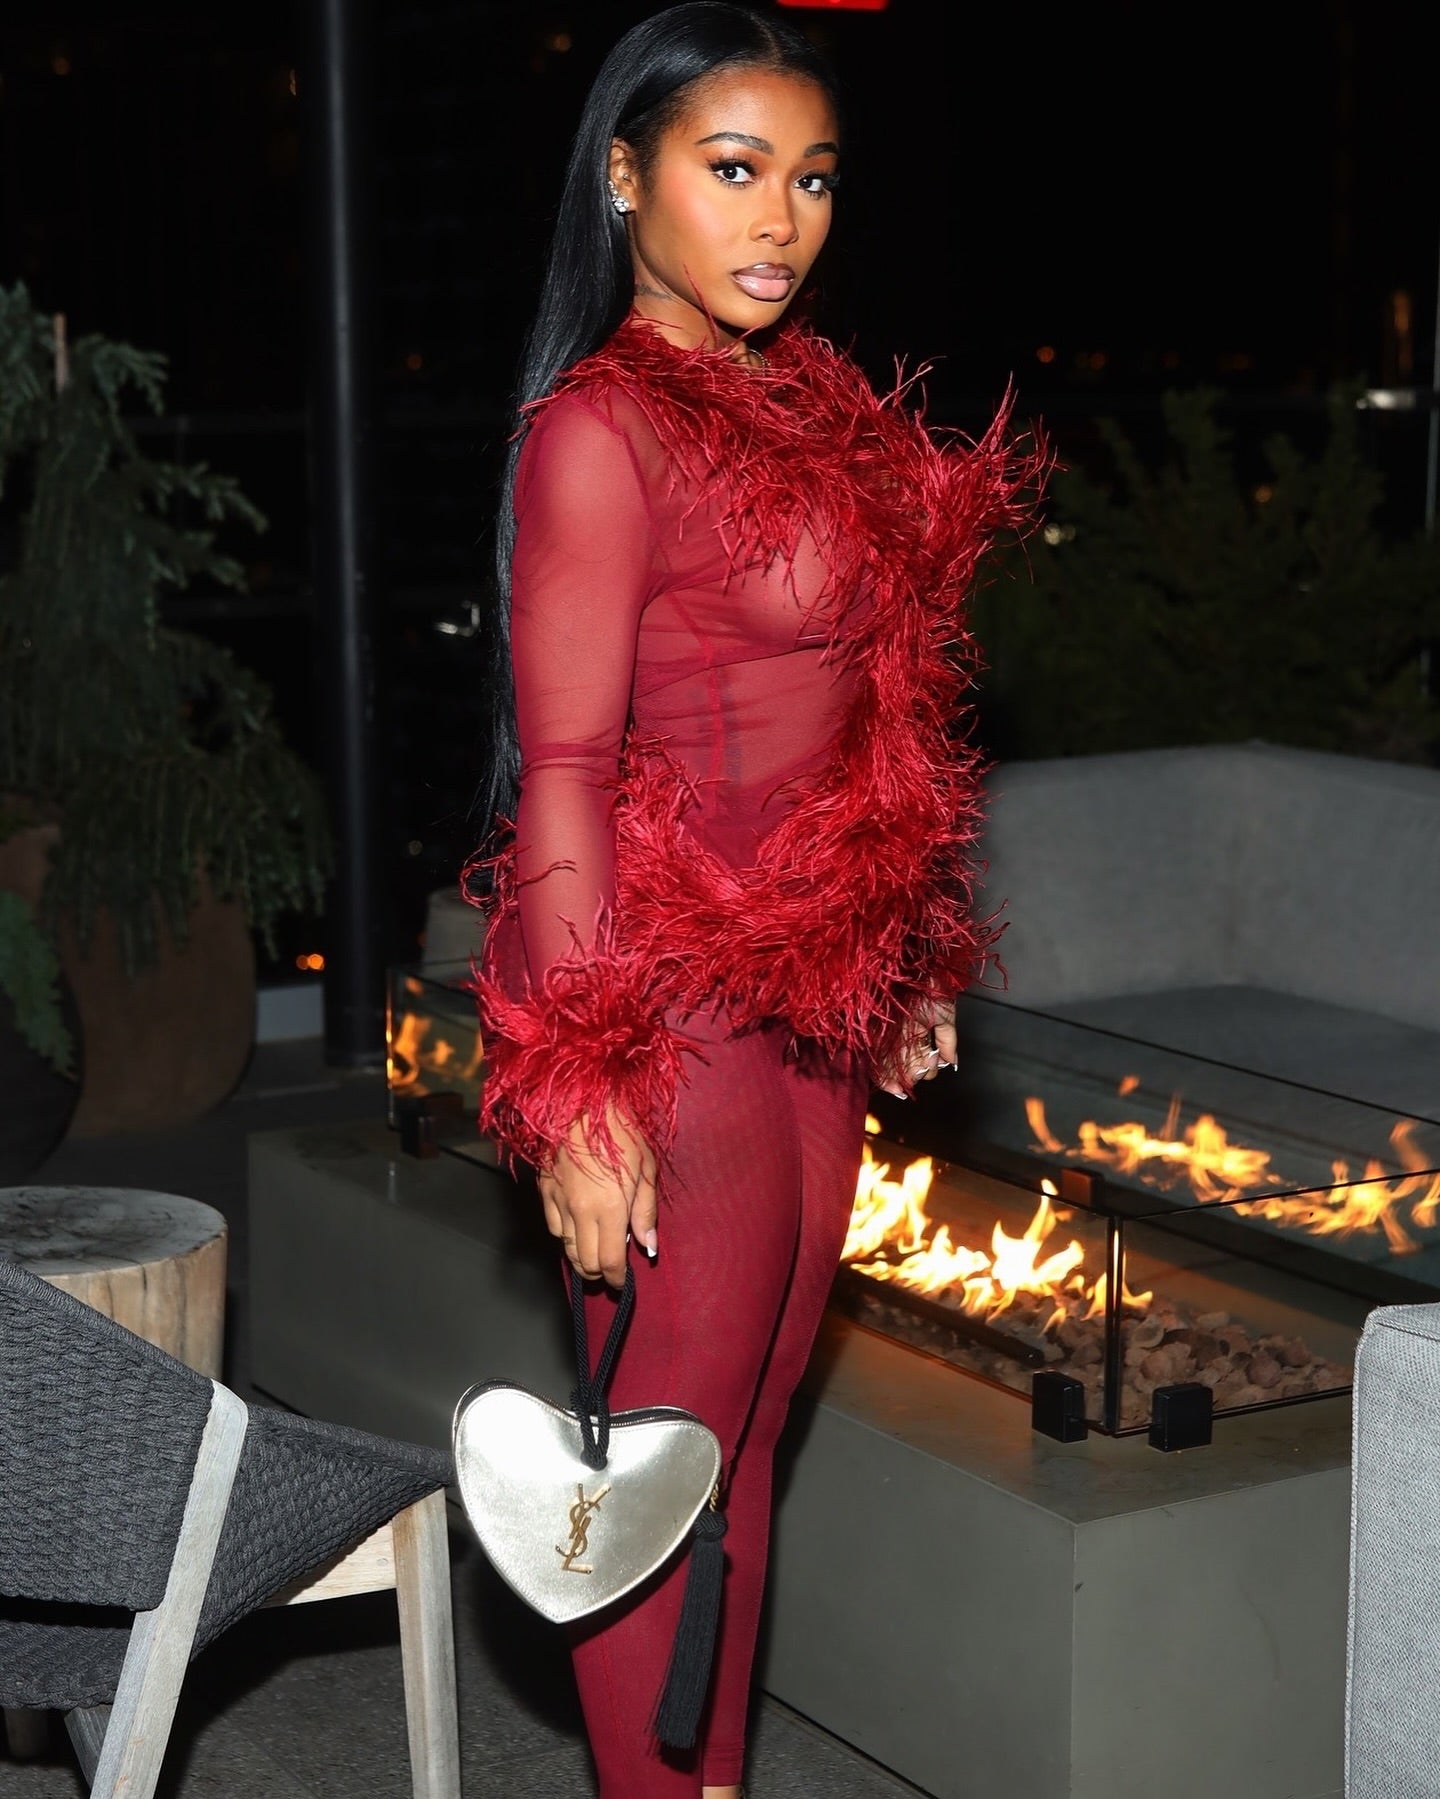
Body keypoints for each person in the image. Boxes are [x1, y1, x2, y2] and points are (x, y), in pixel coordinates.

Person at [467, 6, 1042, 1794]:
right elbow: (564, 768)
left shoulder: (811, 404)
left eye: (811, 178)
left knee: (750, 1433)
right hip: (663, 989)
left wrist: (903, 936)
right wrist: (579, 1081)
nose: (779, 219)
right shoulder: (604, 429)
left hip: (810, 990)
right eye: (733, 170)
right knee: (657, 1454)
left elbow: (874, 702)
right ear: (624, 175)